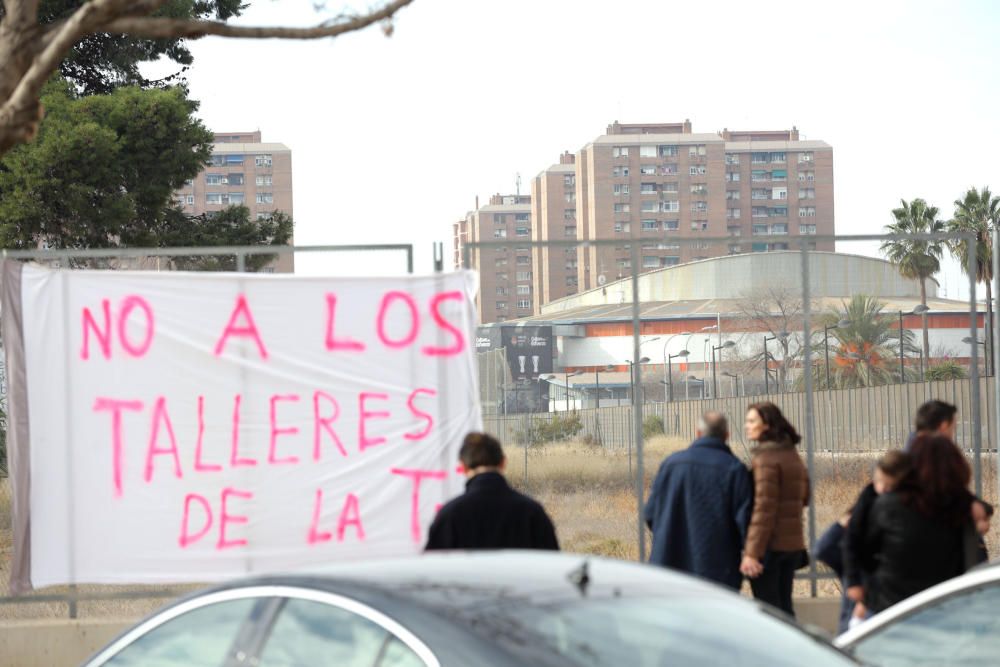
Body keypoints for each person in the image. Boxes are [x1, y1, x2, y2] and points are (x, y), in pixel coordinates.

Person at [858, 434, 981, 615]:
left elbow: (863, 554)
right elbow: (970, 562)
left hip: (893, 609)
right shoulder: (961, 508)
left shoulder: (888, 505)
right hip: (946, 608)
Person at [643, 412, 754, 590]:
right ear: (726, 435)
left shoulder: (671, 465)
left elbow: (650, 514)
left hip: (668, 567)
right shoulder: (734, 470)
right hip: (717, 573)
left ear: (698, 433)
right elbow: (745, 524)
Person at [425, 432, 559, 551]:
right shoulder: (533, 513)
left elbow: (432, 571)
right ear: (503, 463)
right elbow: (552, 567)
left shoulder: (449, 515)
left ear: (463, 467)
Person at [740, 402, 810, 617]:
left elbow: (764, 509)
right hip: (791, 545)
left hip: (769, 548)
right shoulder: (790, 454)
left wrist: (752, 553)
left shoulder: (766, 459)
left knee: (769, 614)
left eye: (752, 421)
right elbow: (805, 496)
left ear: (767, 425)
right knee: (784, 610)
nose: (746, 426)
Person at [840, 450, 911, 628]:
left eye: (889, 485)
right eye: (879, 481)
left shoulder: (904, 501)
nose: (882, 489)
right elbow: (852, 539)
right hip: (867, 572)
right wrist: (854, 580)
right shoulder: (870, 495)